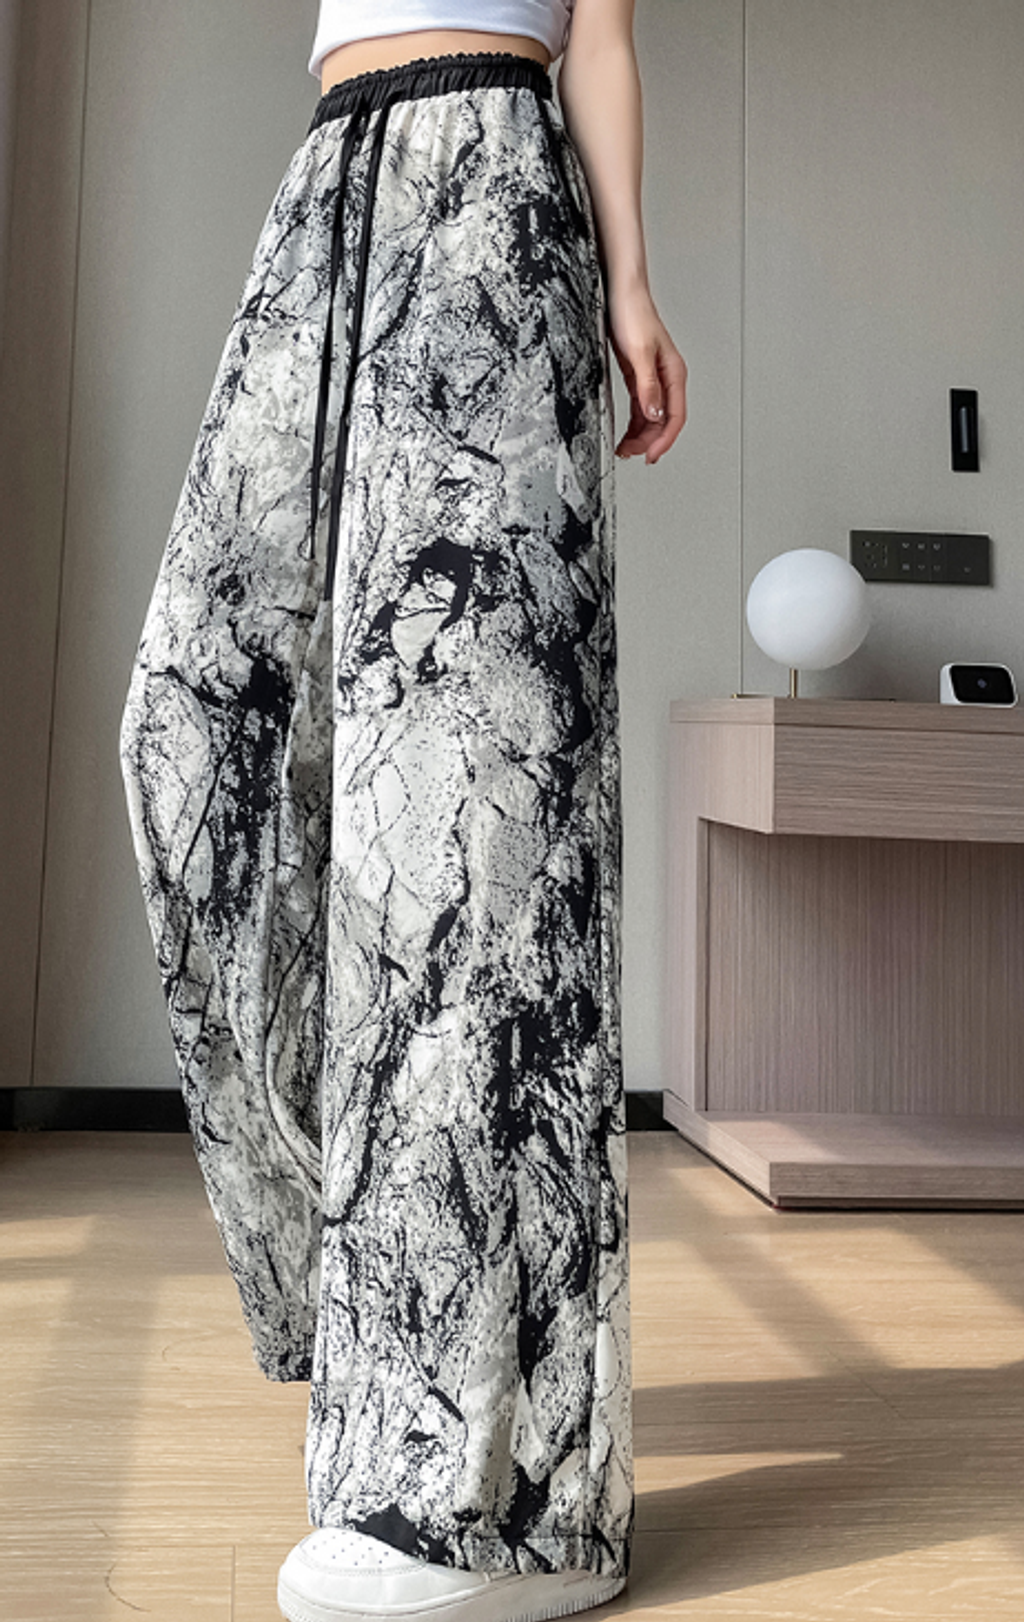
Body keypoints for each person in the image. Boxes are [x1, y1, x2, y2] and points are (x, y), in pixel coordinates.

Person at [118, 3, 687, 1621]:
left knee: (464, 829)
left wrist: (629, 283)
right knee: (182, 728)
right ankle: (373, 1309)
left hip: (496, 173)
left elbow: (601, 33)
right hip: (325, 190)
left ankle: (495, 1502)